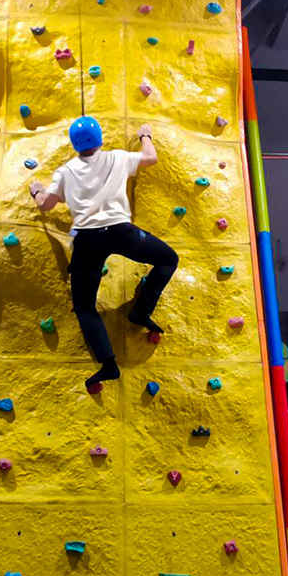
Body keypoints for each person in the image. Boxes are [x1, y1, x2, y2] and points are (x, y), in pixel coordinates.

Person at [29, 116, 179, 388]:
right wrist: (145, 135)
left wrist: (36, 190)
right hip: (123, 233)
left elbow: (45, 205)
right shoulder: (117, 158)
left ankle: (109, 364)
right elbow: (150, 158)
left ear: (74, 144)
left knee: (85, 307)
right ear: (99, 139)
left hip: (88, 241)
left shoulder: (66, 172)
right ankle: (141, 311)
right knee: (169, 259)